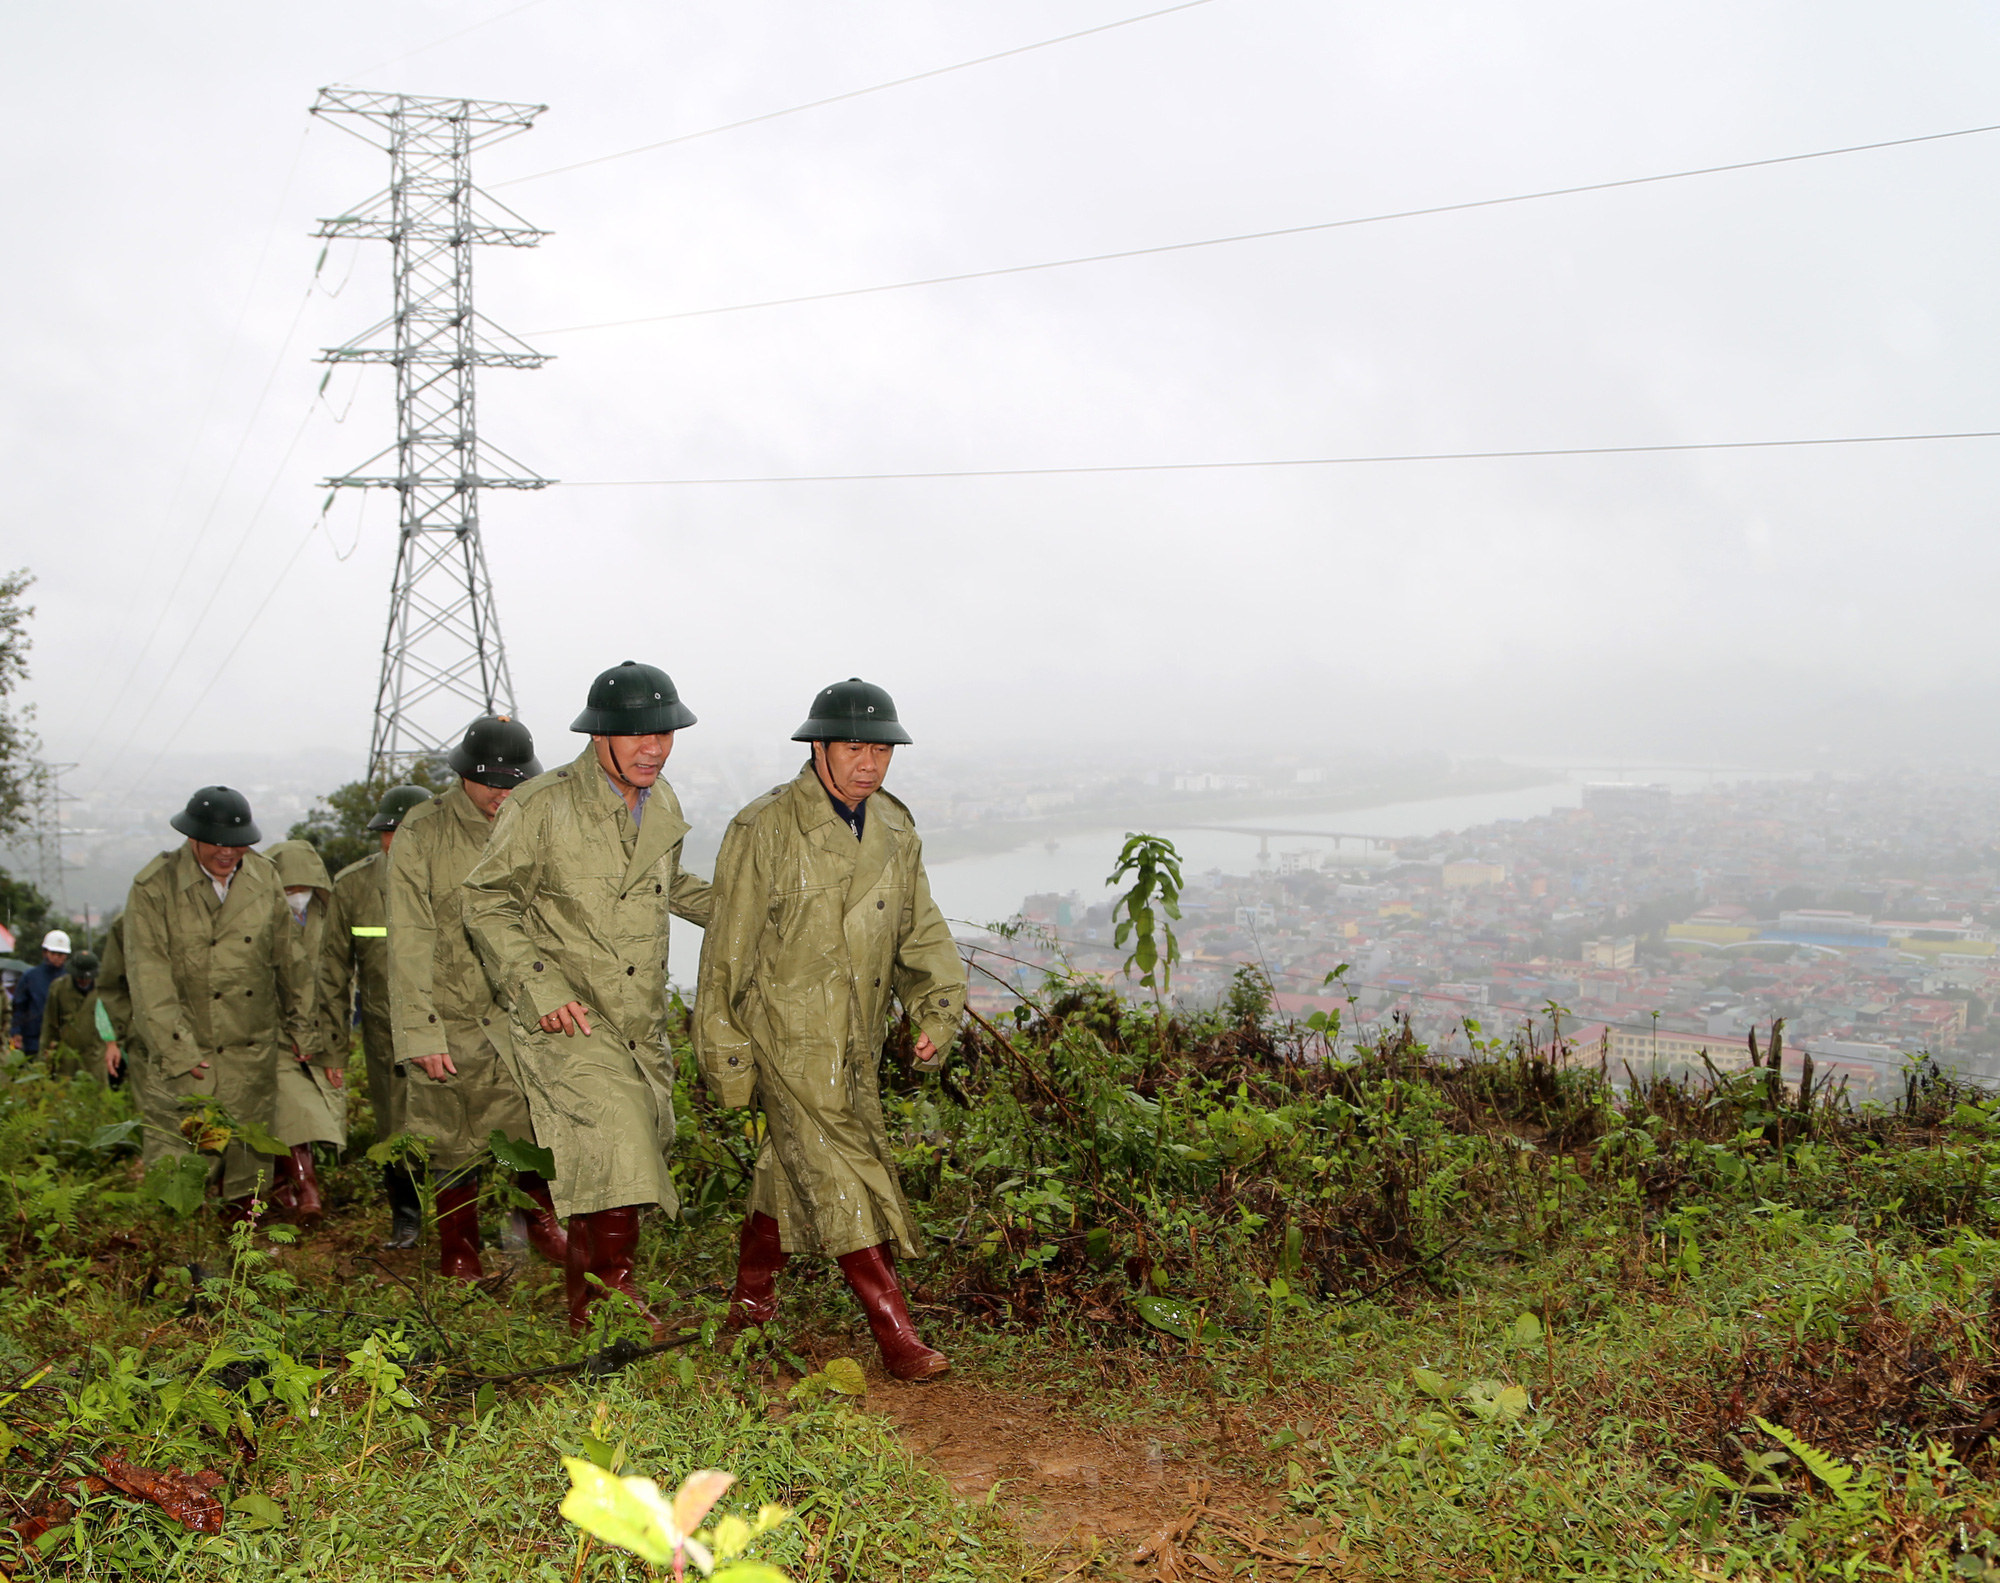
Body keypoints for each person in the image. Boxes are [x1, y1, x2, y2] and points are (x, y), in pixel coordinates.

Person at [694, 678, 965, 1381]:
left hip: (856, 1045)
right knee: (842, 1173)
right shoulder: (766, 828)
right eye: (854, 746)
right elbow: (727, 951)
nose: (869, 761)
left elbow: (921, 932)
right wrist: (726, 1054)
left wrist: (935, 1009)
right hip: (784, 1039)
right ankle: (896, 1334)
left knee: (790, 1165)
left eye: (881, 747)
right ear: (819, 745)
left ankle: (750, 1302)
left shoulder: (895, 830)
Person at [462, 663, 712, 1333]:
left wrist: (745, 911)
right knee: (617, 1147)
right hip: (567, 1013)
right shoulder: (541, 805)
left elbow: (672, 883)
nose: (653, 747)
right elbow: (485, 899)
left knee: (629, 1148)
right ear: (599, 734)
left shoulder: (662, 803)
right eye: (636, 733)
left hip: (639, 1022)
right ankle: (607, 1306)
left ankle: (592, 1303)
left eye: (664, 733)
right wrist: (538, 984)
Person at [392, 718, 567, 1280]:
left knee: (539, 1124)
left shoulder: (532, 818)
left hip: (520, 1008)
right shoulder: (424, 831)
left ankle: (538, 1227)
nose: (501, 793)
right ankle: (459, 1252)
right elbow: (409, 935)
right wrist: (420, 1029)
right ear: (464, 774)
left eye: (513, 782)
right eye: (491, 781)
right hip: (452, 1011)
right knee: (451, 1138)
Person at [122, 786, 313, 1223]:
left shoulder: (265, 879)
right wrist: (178, 1049)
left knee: (250, 1167)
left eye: (236, 842)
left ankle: (243, 1266)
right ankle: (180, 1264)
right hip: (190, 1054)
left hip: (251, 1049)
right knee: (182, 1169)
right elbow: (149, 978)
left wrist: (304, 1028)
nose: (227, 853)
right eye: (216, 843)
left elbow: (291, 961)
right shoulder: (155, 888)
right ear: (192, 838)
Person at [325, 783, 431, 1248]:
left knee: (465, 1126)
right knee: (394, 1127)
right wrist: (330, 1045)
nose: (400, 840)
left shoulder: (461, 874)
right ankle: (406, 1216)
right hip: (387, 1034)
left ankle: (476, 1217)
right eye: (391, 832)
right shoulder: (353, 886)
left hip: (456, 1026)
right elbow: (330, 971)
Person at [266, 839, 346, 1225]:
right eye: (288, 890)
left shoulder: (329, 918)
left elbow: (339, 980)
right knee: (293, 1106)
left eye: (302, 889)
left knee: (307, 1109)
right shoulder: (261, 920)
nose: (296, 898)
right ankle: (305, 1187)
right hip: (273, 1032)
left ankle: (285, 1184)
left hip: (322, 1031)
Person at [40, 948, 106, 1080]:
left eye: (87, 978)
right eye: (80, 977)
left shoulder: (104, 990)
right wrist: (45, 1056)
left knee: (96, 1093)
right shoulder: (58, 988)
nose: (84, 980)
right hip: (67, 1056)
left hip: (96, 1055)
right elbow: (50, 1024)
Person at [9, 929, 72, 1055]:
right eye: (53, 953)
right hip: (33, 1040)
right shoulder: (30, 976)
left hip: (64, 1040)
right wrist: (16, 1032)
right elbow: (19, 1006)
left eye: (61, 954)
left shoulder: (70, 978)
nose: (56, 957)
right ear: (45, 952)